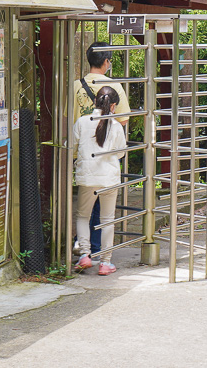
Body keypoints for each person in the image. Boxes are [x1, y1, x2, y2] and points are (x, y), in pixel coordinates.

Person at [73, 42, 130, 255]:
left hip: (84, 154)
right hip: (108, 157)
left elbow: (69, 118)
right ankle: (101, 254)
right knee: (106, 213)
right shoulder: (115, 87)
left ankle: (84, 248)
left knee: (84, 209)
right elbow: (123, 120)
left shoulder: (76, 85)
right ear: (107, 62)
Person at [73, 86, 128, 275]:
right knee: (107, 220)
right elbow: (120, 152)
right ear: (113, 106)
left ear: (95, 101)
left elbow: (73, 146)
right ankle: (105, 262)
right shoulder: (116, 126)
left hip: (87, 177)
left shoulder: (82, 122)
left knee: (83, 216)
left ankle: (85, 255)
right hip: (109, 179)